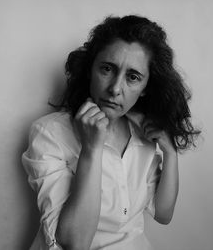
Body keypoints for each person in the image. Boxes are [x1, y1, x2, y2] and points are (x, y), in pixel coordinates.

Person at [22, 15, 200, 250]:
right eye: (107, 69)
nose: (115, 88)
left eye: (133, 77)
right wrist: (91, 149)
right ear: (89, 70)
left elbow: (163, 215)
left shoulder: (144, 133)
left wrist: (170, 151)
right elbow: (74, 243)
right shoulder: (49, 133)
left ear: (146, 88)